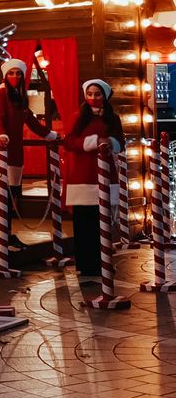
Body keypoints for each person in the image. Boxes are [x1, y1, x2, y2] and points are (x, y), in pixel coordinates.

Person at [0, 58, 57, 248]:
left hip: (16, 151)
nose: (15, 76)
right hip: (1, 149)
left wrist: (50, 135)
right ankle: (2, 233)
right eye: (11, 73)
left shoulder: (20, 97)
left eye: (18, 73)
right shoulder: (0, 94)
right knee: (1, 193)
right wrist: (0, 135)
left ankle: (7, 234)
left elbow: (31, 122)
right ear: (5, 75)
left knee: (13, 193)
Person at [62, 78, 124, 278]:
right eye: (89, 94)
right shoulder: (77, 117)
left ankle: (102, 262)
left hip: (104, 175)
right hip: (82, 175)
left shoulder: (113, 119)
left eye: (97, 94)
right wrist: (93, 142)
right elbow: (69, 142)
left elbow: (120, 143)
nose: (93, 98)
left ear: (105, 96)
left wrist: (110, 143)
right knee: (83, 223)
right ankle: (85, 264)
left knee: (102, 223)